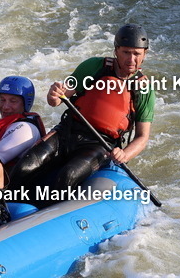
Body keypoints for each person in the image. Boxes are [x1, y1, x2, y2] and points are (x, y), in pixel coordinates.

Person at [10, 24, 155, 202]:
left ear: (144, 54)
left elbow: (142, 137)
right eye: (126, 52)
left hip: (100, 145)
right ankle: (3, 206)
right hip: (66, 132)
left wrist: (125, 154)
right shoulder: (93, 66)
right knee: (25, 166)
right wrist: (54, 94)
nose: (131, 59)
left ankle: (41, 211)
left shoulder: (144, 89)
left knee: (67, 176)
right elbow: (57, 100)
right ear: (116, 50)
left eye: (137, 54)